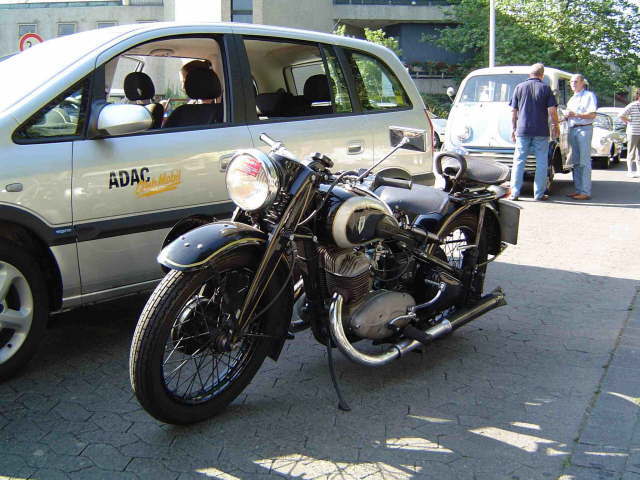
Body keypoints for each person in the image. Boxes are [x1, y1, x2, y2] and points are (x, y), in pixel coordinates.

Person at [508, 63, 560, 201]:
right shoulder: (545, 88)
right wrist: (556, 125)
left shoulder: (519, 87)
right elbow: (552, 111)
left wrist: (513, 129)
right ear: (542, 75)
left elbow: (514, 112)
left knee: (519, 161)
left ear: (529, 74)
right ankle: (539, 194)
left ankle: (514, 193)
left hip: (523, 130)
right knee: (541, 162)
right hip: (541, 131)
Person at [564, 74, 597, 200]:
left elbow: (592, 115)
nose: (573, 84)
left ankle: (585, 192)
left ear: (583, 83)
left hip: (584, 129)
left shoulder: (589, 96)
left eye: (576, 81)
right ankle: (578, 190)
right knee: (576, 162)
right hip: (572, 129)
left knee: (584, 162)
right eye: (571, 82)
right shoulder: (572, 99)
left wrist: (576, 114)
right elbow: (570, 115)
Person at [620, 88, 640, 178]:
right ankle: (630, 171)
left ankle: (638, 171)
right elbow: (621, 115)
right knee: (631, 151)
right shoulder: (632, 105)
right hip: (633, 132)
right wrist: (628, 121)